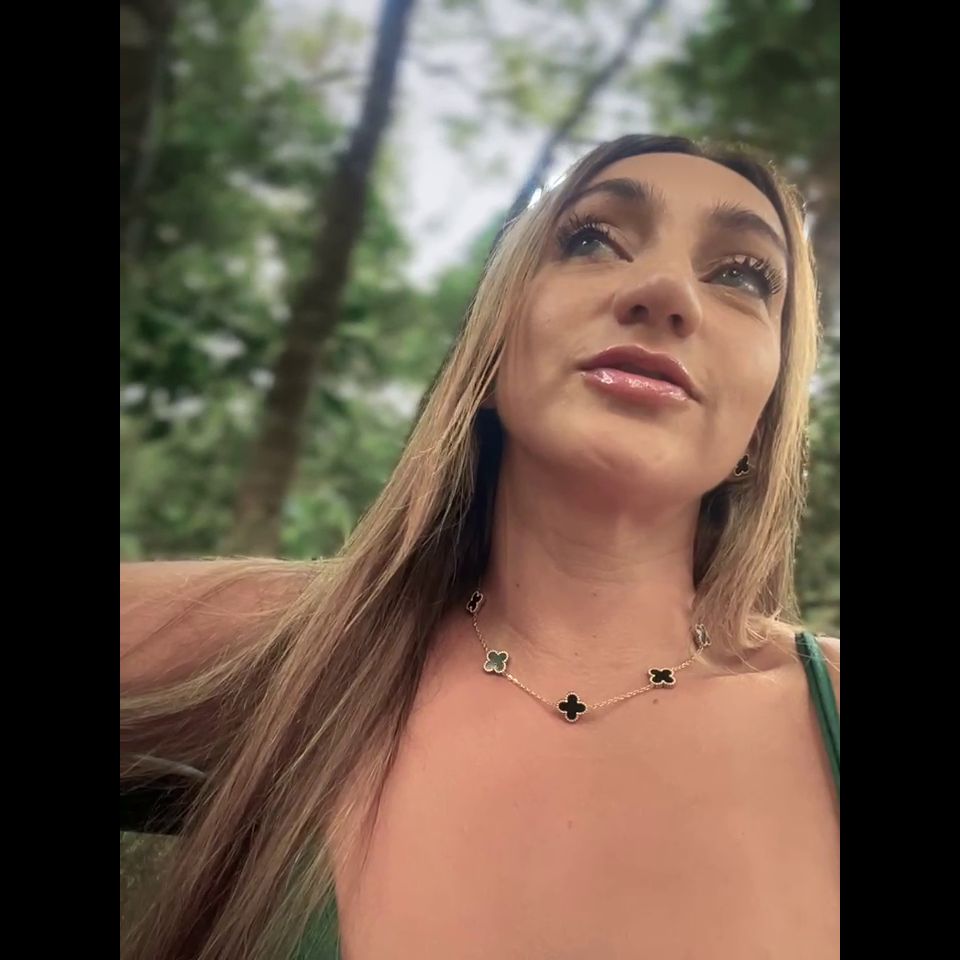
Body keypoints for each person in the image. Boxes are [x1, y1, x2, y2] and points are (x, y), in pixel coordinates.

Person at [120, 133, 839, 960]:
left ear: (765, 418)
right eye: (591, 240)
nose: (666, 291)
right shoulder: (307, 644)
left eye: (742, 276)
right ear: (492, 357)